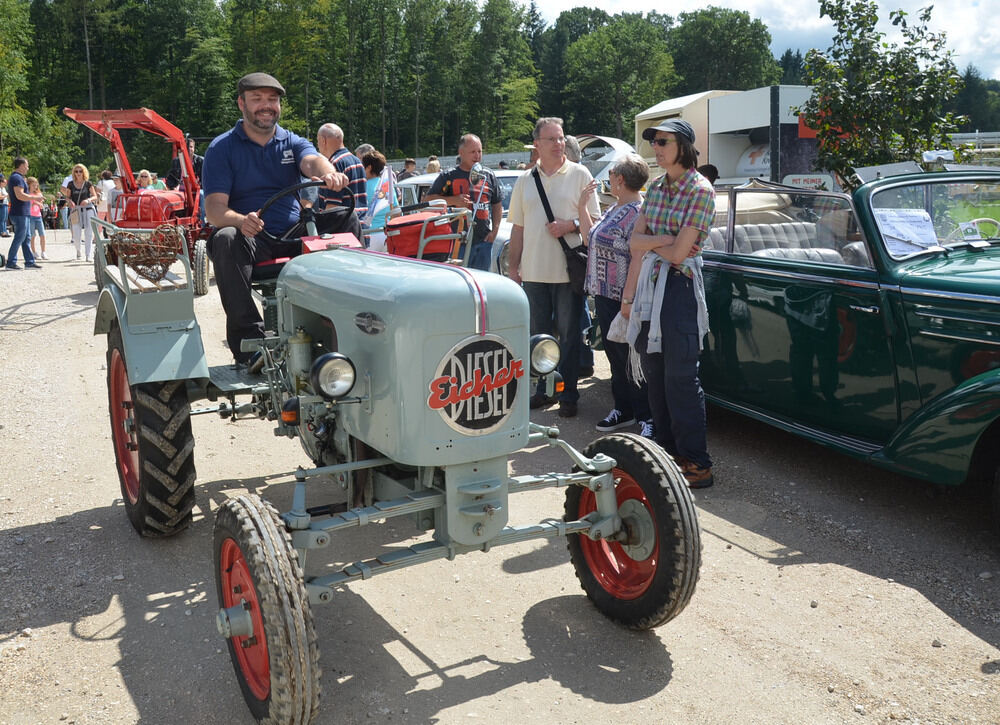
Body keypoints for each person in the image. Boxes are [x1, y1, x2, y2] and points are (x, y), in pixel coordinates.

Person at [202, 72, 349, 368]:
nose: (266, 106)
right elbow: (215, 210)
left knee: (346, 220)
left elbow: (311, 161)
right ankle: (251, 344)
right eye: (257, 99)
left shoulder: (291, 141)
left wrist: (328, 170)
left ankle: (348, 326)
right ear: (241, 103)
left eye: (272, 99)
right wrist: (241, 220)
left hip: (295, 233)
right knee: (225, 238)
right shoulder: (221, 148)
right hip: (253, 238)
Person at [621, 119, 715, 489]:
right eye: (654, 142)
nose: (656, 148)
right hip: (651, 287)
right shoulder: (657, 186)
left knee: (680, 378)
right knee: (655, 378)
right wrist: (664, 240)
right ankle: (666, 455)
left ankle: (697, 463)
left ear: (684, 146)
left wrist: (653, 242)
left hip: (679, 289)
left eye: (663, 142)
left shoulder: (700, 189)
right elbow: (634, 240)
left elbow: (679, 255)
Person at [507, 117, 599, 418]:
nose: (559, 144)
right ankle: (544, 391)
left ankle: (569, 394)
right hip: (533, 273)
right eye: (552, 139)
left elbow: (594, 224)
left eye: (561, 138)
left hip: (567, 272)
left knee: (570, 336)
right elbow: (518, 229)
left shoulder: (580, 174)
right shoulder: (525, 180)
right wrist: (513, 267)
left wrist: (569, 225)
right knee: (538, 337)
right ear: (537, 144)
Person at [578, 153, 652, 436]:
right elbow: (589, 239)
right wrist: (582, 207)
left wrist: (628, 299)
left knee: (631, 356)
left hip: (624, 296)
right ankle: (624, 408)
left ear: (620, 180)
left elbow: (639, 256)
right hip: (605, 295)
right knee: (615, 356)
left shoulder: (637, 213)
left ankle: (646, 415)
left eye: (611, 176)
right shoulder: (616, 208)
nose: (608, 180)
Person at [424, 134, 502, 270]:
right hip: (456, 242)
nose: (477, 155)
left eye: (479, 151)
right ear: (461, 153)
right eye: (473, 152)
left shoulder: (488, 175)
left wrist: (495, 230)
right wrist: (452, 200)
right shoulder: (448, 176)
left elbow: (497, 203)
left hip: (484, 241)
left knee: (481, 282)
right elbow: (427, 200)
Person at [316, 123, 367, 211]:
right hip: (358, 221)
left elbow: (332, 207)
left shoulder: (334, 164)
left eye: (318, 140)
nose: (317, 144)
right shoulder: (356, 160)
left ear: (323, 140)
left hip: (343, 223)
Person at [5, 157, 44, 270]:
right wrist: (36, 197)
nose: (28, 168)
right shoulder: (16, 178)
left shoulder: (19, 178)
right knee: (19, 237)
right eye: (26, 165)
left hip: (23, 213)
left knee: (26, 237)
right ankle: (11, 263)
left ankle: (29, 262)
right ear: (21, 166)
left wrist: (35, 200)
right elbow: (20, 196)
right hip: (19, 213)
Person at [359, 150, 396, 252]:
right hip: (386, 234)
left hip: (368, 235)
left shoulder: (361, 186)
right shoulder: (387, 185)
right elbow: (396, 211)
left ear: (369, 167)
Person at [63, 163, 98, 261]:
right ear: (74, 173)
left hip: (88, 208)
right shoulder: (70, 184)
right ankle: (78, 251)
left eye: (80, 171)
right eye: (76, 171)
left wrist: (88, 200)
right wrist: (70, 202)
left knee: (89, 232)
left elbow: (95, 196)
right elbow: (67, 197)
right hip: (76, 210)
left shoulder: (88, 183)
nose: (78, 173)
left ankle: (88, 254)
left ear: (84, 172)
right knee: (76, 232)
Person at [25, 177, 47, 260]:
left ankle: (43, 252)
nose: (35, 187)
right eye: (33, 185)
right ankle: (34, 252)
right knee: (32, 235)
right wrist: (35, 201)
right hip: (30, 216)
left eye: (36, 185)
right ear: (29, 185)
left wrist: (36, 201)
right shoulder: (26, 194)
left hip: (38, 216)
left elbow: (41, 204)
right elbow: (29, 204)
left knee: (42, 235)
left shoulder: (38, 194)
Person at [0, 172, 9, 237]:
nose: (5, 183)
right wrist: (7, 195)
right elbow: (0, 197)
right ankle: (2, 231)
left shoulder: (3, 189)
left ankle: (5, 231)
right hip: (2, 205)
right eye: (4, 182)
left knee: (5, 219)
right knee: (2, 219)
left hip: (5, 204)